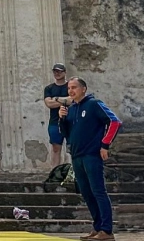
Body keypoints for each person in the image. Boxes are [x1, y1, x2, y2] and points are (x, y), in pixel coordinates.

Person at [59, 77, 122, 241]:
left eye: (74, 87)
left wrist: (105, 145)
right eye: (69, 88)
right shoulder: (71, 109)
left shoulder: (94, 104)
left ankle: (107, 230)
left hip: (92, 154)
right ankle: (98, 227)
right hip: (77, 155)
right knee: (86, 193)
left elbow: (114, 122)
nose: (71, 91)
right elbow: (67, 134)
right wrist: (62, 118)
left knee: (98, 191)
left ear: (83, 89)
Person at [44, 63, 71, 167]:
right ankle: (55, 172)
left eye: (59, 71)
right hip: (55, 122)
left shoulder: (70, 86)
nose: (57, 73)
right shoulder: (49, 88)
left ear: (64, 72)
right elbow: (49, 104)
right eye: (55, 71)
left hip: (71, 121)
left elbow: (72, 100)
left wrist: (55, 99)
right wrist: (65, 100)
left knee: (73, 148)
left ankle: (76, 173)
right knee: (55, 148)